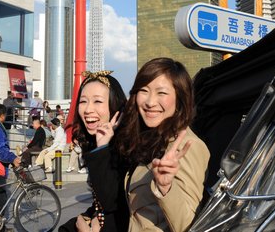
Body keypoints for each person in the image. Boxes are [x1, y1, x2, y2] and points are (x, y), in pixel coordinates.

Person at [87, 58, 210, 231]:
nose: (150, 102)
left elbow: (190, 225)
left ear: (180, 99)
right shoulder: (147, 139)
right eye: (144, 91)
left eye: (162, 93)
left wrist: (166, 188)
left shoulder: (189, 146)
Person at [59, 70, 128, 232]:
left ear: (115, 106)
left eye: (97, 101)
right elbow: (100, 203)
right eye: (83, 101)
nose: (88, 109)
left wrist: (103, 148)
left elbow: (113, 203)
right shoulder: (93, 142)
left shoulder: (128, 147)